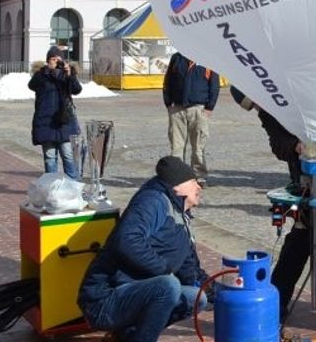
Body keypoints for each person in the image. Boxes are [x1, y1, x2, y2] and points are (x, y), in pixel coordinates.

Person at [229, 87, 316, 327]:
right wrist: (296, 146)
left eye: (256, 102)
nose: (258, 108)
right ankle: (278, 297)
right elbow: (278, 143)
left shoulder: (298, 89)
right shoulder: (267, 112)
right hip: (308, 179)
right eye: (252, 106)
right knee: (301, 237)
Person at [78, 156, 210, 342]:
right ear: (177, 186)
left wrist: (214, 288)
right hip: (105, 298)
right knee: (168, 286)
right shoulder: (153, 201)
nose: (199, 187)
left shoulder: (181, 215)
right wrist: (164, 270)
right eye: (193, 182)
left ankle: (128, 335)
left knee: (197, 298)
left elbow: (188, 266)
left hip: (135, 293)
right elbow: (126, 240)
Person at [162, 51, 220, 185]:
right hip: (177, 109)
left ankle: (199, 176)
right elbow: (167, 80)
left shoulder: (208, 58)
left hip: (198, 109)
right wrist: (168, 102)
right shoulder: (176, 58)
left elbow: (214, 85)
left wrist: (209, 107)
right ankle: (177, 176)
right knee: (176, 146)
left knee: (198, 146)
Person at [27, 45, 82, 178]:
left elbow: (77, 89)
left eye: (58, 59)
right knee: (50, 157)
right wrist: (45, 71)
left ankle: (72, 187)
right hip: (46, 122)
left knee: (68, 155)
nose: (55, 62)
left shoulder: (67, 74)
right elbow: (31, 85)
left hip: (65, 122)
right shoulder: (41, 75)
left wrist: (69, 75)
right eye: (52, 59)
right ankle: (52, 188)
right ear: (48, 61)